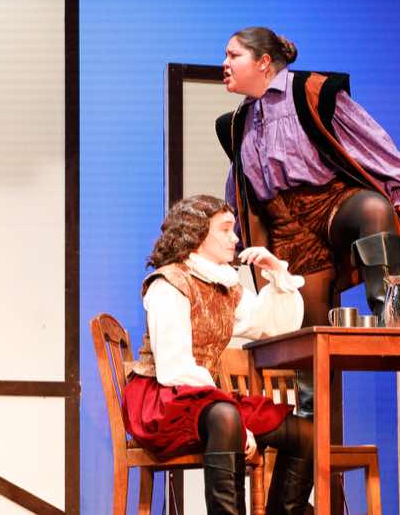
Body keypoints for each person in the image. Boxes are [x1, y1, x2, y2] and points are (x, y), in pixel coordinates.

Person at [216, 26, 400, 328]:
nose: (225, 63)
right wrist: (234, 237)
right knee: (310, 330)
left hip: (331, 202)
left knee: (374, 209)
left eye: (233, 55)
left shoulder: (311, 91)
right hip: (288, 227)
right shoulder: (238, 123)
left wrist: (397, 182)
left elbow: (365, 135)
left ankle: (387, 316)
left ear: (263, 62)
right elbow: (240, 190)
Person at [122, 195, 313, 515]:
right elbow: (173, 368)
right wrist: (237, 424)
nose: (234, 238)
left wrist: (277, 273)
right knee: (226, 417)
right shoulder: (169, 283)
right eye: (224, 229)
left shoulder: (224, 285)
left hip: (206, 400)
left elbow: (272, 326)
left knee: (305, 434)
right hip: (162, 400)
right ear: (196, 234)